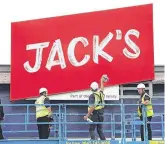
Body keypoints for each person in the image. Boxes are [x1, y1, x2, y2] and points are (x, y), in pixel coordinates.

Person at [84, 75, 107, 140]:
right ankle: (104, 142)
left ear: (91, 88)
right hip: (101, 114)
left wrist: (87, 115)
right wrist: (101, 82)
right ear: (97, 88)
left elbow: (93, 106)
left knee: (91, 129)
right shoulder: (100, 94)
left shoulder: (92, 96)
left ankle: (93, 142)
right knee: (100, 130)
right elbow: (102, 89)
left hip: (95, 114)